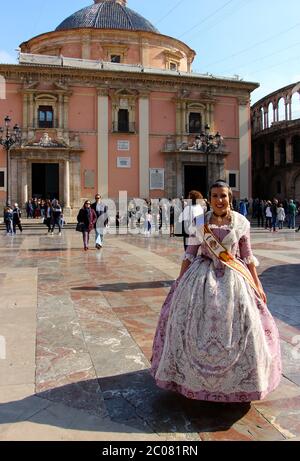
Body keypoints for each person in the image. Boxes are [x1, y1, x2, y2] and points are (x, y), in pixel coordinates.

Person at [151, 179, 281, 402]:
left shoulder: (241, 222)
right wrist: (180, 280)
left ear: (230, 198)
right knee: (185, 322)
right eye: (215, 196)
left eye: (223, 196)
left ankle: (241, 381)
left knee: (246, 323)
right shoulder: (199, 222)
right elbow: (190, 253)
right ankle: (190, 380)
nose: (219, 200)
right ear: (209, 199)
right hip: (200, 277)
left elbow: (247, 256)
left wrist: (257, 283)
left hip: (234, 278)